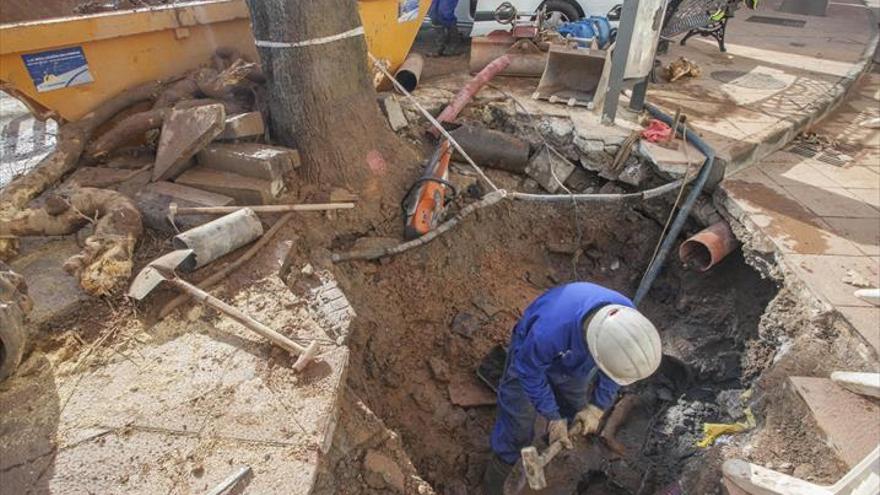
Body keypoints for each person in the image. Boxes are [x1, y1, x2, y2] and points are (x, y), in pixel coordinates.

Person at [483, 282, 662, 495]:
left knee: (575, 409)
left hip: (575, 361)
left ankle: (547, 446)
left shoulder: (626, 322)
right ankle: (499, 474)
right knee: (518, 422)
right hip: (531, 358)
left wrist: (597, 406)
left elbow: (617, 368)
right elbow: (529, 373)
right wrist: (551, 415)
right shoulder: (548, 332)